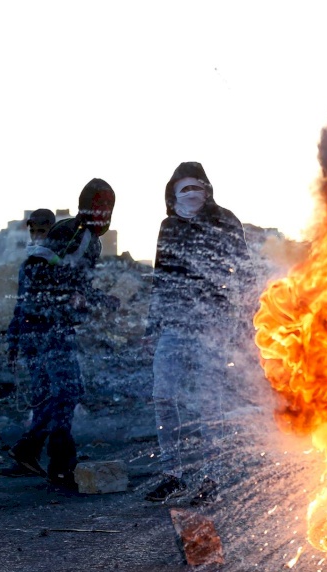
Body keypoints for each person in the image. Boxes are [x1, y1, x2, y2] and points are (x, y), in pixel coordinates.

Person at [144, 162, 250, 505]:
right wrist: (153, 322)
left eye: (197, 188)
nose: (192, 195)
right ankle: (172, 474)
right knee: (163, 395)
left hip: (213, 324)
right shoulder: (169, 227)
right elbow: (162, 275)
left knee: (210, 403)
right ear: (172, 194)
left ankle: (212, 477)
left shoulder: (224, 221)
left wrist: (241, 319)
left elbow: (243, 271)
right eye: (184, 189)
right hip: (175, 323)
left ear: (208, 190)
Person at [0, 183, 117, 489]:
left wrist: (96, 299)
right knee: (67, 391)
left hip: (42, 327)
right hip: (48, 327)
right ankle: (57, 462)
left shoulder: (78, 239)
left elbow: (70, 283)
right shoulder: (78, 234)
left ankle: (38, 454)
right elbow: (54, 279)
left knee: (55, 393)